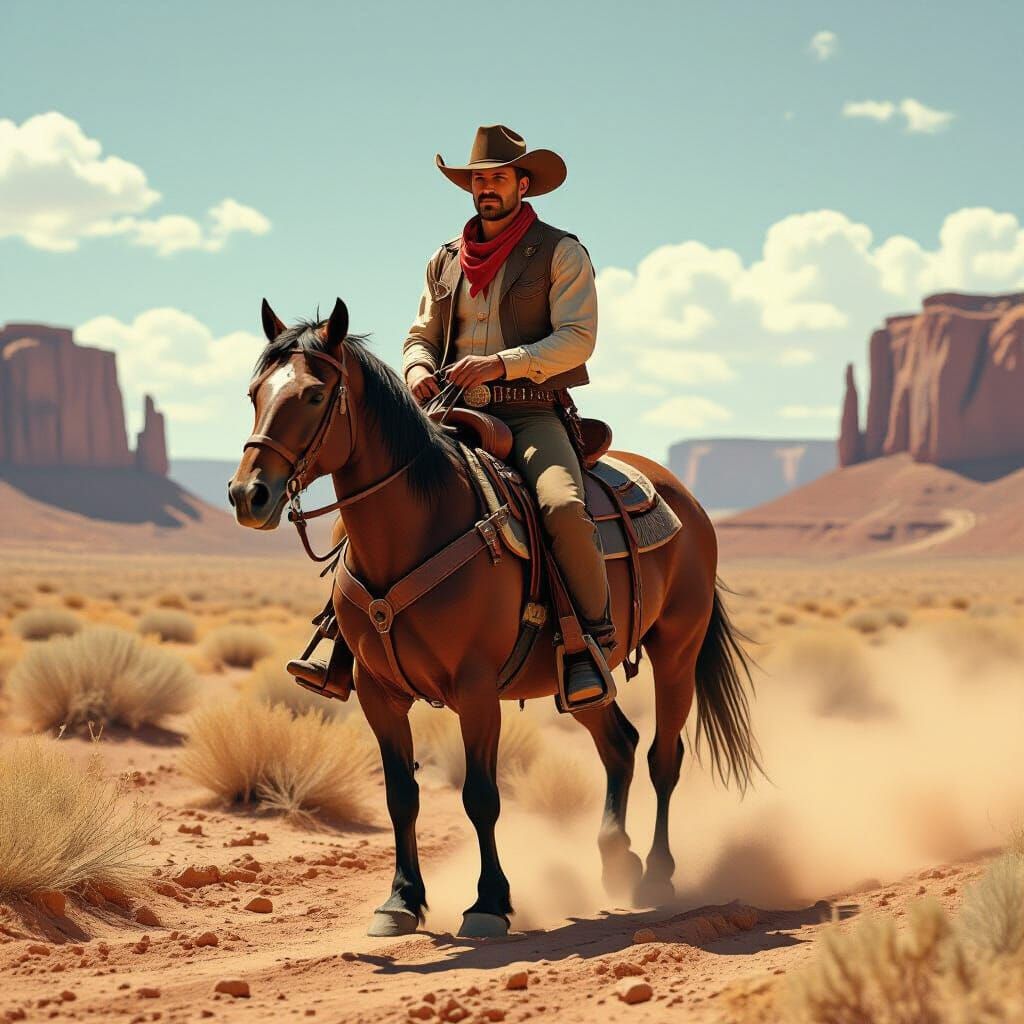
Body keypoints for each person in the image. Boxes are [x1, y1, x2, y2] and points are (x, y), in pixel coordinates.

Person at [403, 124, 615, 706]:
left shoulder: (560, 251)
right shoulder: (445, 259)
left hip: (529, 413)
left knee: (564, 507)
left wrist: (502, 365)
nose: (486, 188)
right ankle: (341, 640)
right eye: (479, 179)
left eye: (498, 177)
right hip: (447, 411)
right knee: (374, 495)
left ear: (524, 183)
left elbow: (578, 339)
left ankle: (589, 643)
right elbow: (421, 333)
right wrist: (418, 367)